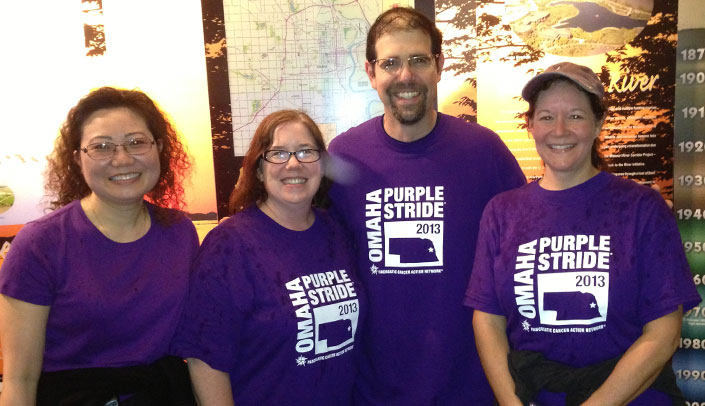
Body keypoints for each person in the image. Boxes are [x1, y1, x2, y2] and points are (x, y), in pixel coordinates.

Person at [466, 62, 700, 405]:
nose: (559, 130)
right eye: (546, 117)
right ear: (530, 125)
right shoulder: (502, 212)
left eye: (575, 116)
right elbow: (487, 320)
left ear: (598, 123)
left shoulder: (641, 208)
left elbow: (664, 332)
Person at [327, 7, 526, 405]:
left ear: (438, 65)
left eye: (418, 60)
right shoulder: (343, 157)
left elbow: (524, 256)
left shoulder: (484, 152)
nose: (405, 76)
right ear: (371, 73)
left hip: (471, 385)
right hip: (374, 389)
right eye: (391, 63)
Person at [0, 87, 199, 405]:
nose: (122, 159)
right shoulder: (40, 244)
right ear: (78, 158)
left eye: (136, 142)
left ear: (158, 148)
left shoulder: (180, 232)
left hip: (163, 393)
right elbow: (19, 380)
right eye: (101, 147)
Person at [170, 110, 365, 405]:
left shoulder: (337, 231)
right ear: (259, 170)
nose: (293, 163)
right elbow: (205, 358)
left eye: (306, 152)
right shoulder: (230, 244)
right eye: (277, 153)